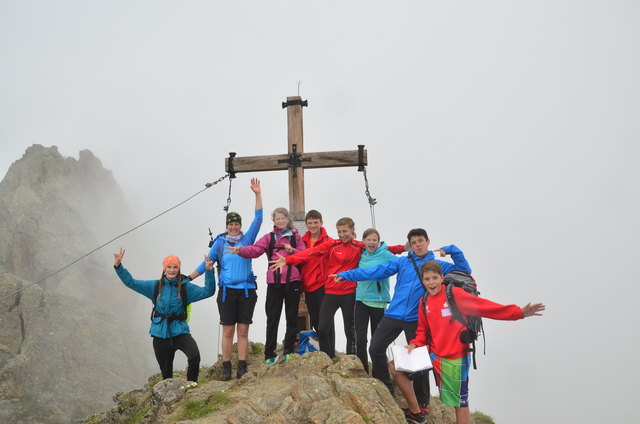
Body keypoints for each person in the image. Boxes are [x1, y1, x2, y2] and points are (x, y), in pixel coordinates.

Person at [335, 228, 471, 415]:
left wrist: (452, 249)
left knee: (419, 361)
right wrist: (347, 275)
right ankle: (386, 387)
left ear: (427, 242)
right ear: (410, 245)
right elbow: (375, 271)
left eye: (420, 241)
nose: (417, 245)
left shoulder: (437, 266)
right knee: (375, 348)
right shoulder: (402, 262)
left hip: (418, 317)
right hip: (394, 314)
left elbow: (465, 271)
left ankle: (422, 402)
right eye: (413, 242)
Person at [394, 260, 545, 424]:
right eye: (427, 279)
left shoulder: (454, 295)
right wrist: (414, 344)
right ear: (422, 281)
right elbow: (422, 331)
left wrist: (519, 313)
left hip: (455, 358)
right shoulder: (424, 301)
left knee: (460, 403)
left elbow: (486, 307)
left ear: (442, 278)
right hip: (433, 356)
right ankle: (417, 414)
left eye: (435, 278)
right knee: (396, 369)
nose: (431, 283)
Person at [188, 177, 263, 380]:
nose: (234, 227)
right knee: (228, 331)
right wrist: (188, 278)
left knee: (244, 330)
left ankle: (242, 366)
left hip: (247, 290)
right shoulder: (220, 243)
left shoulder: (247, 240)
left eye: (237, 224)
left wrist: (257, 194)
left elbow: (259, 219)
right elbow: (205, 264)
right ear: (227, 226)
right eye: (231, 224)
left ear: (240, 225)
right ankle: (226, 366)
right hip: (227, 292)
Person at [113, 248, 216, 383]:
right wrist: (118, 266)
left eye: (175, 267)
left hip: (180, 332)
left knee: (194, 356)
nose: (172, 270)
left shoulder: (186, 288)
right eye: (169, 267)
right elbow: (131, 283)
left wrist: (209, 271)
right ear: (164, 269)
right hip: (160, 335)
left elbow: (208, 291)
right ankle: (171, 396)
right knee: (166, 376)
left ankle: (192, 385)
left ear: (179, 269)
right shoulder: (155, 286)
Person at [271, 217, 363, 358]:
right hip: (331, 291)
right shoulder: (332, 244)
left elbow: (379, 250)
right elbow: (309, 253)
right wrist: (288, 259)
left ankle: (352, 361)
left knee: (349, 330)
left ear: (352, 230)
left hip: (349, 293)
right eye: (339, 231)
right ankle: (328, 357)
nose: (342, 234)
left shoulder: (359, 246)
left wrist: (402, 249)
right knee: (322, 327)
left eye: (345, 231)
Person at [226, 207, 305, 365]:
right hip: (274, 283)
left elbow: (304, 255)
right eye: (277, 219)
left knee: (291, 317)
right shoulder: (269, 238)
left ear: (288, 220)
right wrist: (240, 250)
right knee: (272, 318)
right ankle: (269, 354)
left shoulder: (296, 237)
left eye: (283, 218)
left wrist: (292, 250)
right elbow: (256, 250)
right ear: (274, 221)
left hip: (293, 281)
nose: (280, 221)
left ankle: (289, 350)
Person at [353, 228, 406, 373]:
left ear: (378, 242)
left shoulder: (384, 254)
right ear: (363, 241)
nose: (371, 242)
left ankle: (379, 373)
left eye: (374, 240)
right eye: (368, 240)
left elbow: (402, 264)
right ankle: (362, 370)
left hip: (378, 302)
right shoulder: (361, 254)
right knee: (361, 339)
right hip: (360, 301)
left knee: (377, 342)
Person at [299, 209, 331, 332]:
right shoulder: (302, 242)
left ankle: (329, 350)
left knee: (326, 319)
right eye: (310, 223)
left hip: (323, 285)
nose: (313, 225)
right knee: (314, 318)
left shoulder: (329, 241)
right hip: (308, 285)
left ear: (321, 223)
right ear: (306, 224)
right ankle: (320, 349)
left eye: (315, 222)